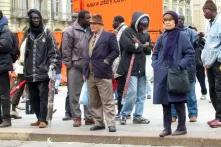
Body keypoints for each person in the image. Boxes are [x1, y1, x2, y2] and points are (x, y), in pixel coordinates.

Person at [152, 11, 195, 137]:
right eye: (165, 20)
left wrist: (180, 65)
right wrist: (156, 65)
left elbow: (190, 53)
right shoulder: (161, 36)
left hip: (176, 74)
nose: (168, 22)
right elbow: (155, 53)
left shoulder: (182, 35)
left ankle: (182, 127)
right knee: (165, 103)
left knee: (179, 102)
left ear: (175, 22)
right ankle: (167, 128)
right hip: (162, 75)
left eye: (170, 20)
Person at [83, 14, 119, 132]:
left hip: (103, 72)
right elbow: (87, 55)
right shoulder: (90, 37)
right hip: (90, 74)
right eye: (90, 24)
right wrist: (85, 71)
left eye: (94, 24)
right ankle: (99, 122)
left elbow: (116, 51)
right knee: (94, 101)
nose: (91, 26)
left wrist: (107, 61)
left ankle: (111, 123)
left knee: (107, 100)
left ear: (100, 25)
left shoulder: (109, 36)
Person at [24, 9, 59, 128]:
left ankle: (44, 119)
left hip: (43, 71)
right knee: (33, 98)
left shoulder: (47, 32)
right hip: (30, 72)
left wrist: (52, 65)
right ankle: (39, 118)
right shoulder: (28, 33)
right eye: (34, 18)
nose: (36, 20)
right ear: (30, 20)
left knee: (43, 96)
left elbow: (54, 52)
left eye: (38, 18)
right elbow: (25, 52)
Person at [118, 12, 152, 125]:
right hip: (130, 67)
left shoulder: (145, 34)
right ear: (136, 22)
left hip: (141, 67)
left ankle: (138, 116)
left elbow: (148, 50)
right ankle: (124, 114)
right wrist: (142, 46)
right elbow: (127, 46)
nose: (144, 25)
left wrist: (140, 46)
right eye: (142, 23)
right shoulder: (127, 32)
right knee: (131, 92)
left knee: (141, 94)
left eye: (145, 23)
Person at [62, 10, 94, 127]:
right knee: (74, 94)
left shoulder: (91, 29)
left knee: (89, 92)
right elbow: (65, 50)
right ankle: (76, 117)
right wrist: (69, 65)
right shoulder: (69, 31)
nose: (90, 20)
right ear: (80, 19)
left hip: (89, 67)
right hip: (75, 67)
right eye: (87, 18)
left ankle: (89, 117)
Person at [171, 15, 198, 123]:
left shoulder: (190, 32)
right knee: (173, 92)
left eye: (182, 19)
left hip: (188, 67)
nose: (180, 21)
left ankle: (193, 114)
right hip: (174, 67)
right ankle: (173, 115)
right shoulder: (170, 33)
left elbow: (194, 48)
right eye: (178, 19)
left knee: (190, 92)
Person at [201, 0, 221, 128]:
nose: (204, 13)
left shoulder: (220, 22)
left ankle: (220, 118)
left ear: (213, 10)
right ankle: (217, 115)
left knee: (220, 89)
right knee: (212, 89)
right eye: (203, 11)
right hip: (209, 63)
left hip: (218, 63)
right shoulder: (210, 24)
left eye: (205, 11)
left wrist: (219, 59)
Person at [0, 11, 19, 127]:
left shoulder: (5, 29)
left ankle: (7, 119)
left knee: (4, 94)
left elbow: (4, 45)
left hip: (2, 66)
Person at [112, 15, 127, 118]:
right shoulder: (120, 30)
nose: (113, 23)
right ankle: (122, 111)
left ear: (117, 21)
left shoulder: (123, 30)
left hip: (121, 66)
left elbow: (119, 50)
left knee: (121, 90)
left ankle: (122, 111)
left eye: (114, 21)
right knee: (120, 90)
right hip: (120, 65)